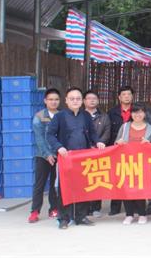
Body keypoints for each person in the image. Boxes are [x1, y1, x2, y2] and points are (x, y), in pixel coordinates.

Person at [46, 87, 106, 229]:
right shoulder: (60, 116)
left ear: (82, 101)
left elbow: (92, 133)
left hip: (83, 158)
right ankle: (64, 218)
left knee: (83, 187)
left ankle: (80, 216)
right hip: (66, 157)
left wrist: (98, 141)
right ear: (66, 100)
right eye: (72, 99)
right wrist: (58, 147)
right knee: (65, 188)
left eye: (78, 98)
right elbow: (50, 134)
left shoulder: (85, 115)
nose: (75, 101)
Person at [114, 103, 151, 225]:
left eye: (141, 112)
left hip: (143, 163)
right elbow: (116, 143)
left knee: (140, 188)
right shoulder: (125, 127)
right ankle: (129, 214)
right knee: (126, 188)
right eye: (135, 112)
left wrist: (149, 144)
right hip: (126, 162)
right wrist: (118, 143)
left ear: (145, 114)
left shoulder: (150, 129)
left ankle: (142, 214)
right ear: (131, 114)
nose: (138, 114)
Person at [28, 88, 61, 223]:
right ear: (45, 101)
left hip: (58, 155)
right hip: (43, 156)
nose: (53, 102)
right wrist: (48, 154)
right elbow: (39, 138)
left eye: (56, 99)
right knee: (39, 184)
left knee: (55, 183)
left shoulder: (61, 115)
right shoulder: (39, 116)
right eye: (50, 99)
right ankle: (35, 211)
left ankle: (54, 208)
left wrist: (58, 152)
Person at [107, 85, 134, 216]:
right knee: (117, 177)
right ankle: (115, 206)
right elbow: (108, 131)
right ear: (119, 97)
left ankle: (134, 206)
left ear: (132, 96)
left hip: (133, 150)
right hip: (116, 149)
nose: (126, 97)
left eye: (129, 94)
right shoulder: (112, 112)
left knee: (133, 177)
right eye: (124, 94)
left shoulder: (138, 110)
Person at [83, 89, 111, 218]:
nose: (92, 100)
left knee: (97, 179)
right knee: (83, 180)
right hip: (82, 152)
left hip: (98, 152)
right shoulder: (79, 116)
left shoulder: (104, 116)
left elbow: (107, 132)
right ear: (84, 101)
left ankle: (96, 207)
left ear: (98, 101)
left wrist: (99, 144)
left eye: (94, 98)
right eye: (89, 98)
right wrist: (87, 145)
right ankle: (84, 207)